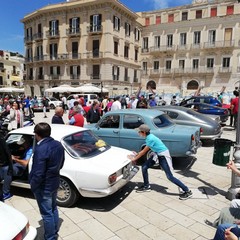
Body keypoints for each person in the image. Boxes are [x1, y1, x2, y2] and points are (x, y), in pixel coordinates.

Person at [127, 124, 193, 200]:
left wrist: (134, 159)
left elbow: (143, 152)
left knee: (170, 176)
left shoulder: (150, 139)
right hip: (156, 154)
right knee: (144, 166)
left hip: (163, 156)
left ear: (143, 132)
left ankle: (187, 191)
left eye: (139, 132)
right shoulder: (149, 137)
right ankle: (146, 186)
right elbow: (143, 151)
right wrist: (136, 154)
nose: (138, 133)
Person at [29, 123, 65, 240]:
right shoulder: (58, 144)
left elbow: (38, 172)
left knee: (46, 213)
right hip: (54, 182)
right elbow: (61, 162)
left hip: (44, 186)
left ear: (36, 134)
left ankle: (50, 237)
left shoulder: (40, 149)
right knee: (53, 207)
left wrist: (33, 185)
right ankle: (54, 229)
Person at [0, 135, 32, 200]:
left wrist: (14, 159)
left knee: (7, 169)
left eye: (23, 144)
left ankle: (6, 192)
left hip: (23, 168)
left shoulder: (30, 150)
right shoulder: (27, 148)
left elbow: (26, 163)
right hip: (18, 164)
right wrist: (15, 157)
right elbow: (23, 157)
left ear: (27, 143)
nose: (22, 145)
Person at [0, 133, 12, 201]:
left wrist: (10, 165)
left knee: (7, 174)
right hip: (3, 163)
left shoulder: (2, 139)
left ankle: (6, 193)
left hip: (5, 164)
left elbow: (7, 152)